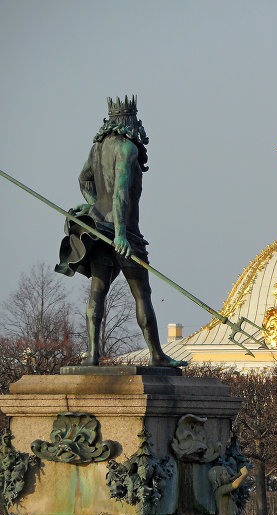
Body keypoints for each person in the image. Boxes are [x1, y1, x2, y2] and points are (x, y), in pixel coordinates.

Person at [56, 95, 187, 367]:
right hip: (124, 233)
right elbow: (121, 193)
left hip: (100, 229)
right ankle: (156, 355)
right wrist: (120, 234)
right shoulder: (128, 149)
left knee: (98, 290)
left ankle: (92, 355)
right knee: (142, 294)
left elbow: (84, 180)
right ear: (131, 121)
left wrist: (95, 208)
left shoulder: (97, 148)